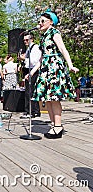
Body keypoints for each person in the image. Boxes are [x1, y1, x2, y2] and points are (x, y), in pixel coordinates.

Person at [28, 9, 78, 139]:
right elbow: (42, 58)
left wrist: (70, 64)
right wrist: (32, 72)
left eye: (42, 21)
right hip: (45, 68)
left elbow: (62, 49)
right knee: (48, 99)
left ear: (51, 22)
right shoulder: (43, 37)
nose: (40, 23)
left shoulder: (54, 33)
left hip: (54, 67)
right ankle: (53, 125)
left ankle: (58, 126)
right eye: (39, 21)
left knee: (54, 98)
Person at [20, 33, 42, 118]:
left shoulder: (35, 47)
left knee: (30, 92)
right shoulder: (29, 48)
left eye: (27, 40)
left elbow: (34, 61)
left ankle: (31, 111)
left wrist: (24, 58)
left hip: (33, 70)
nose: (25, 41)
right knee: (29, 91)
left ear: (32, 39)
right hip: (28, 69)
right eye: (24, 40)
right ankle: (34, 110)